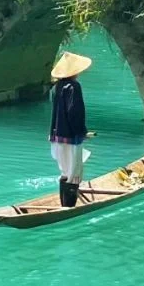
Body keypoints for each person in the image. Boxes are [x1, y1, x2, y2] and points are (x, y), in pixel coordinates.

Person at [49, 51, 91, 208]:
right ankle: (69, 207)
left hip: (58, 136)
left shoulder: (58, 87)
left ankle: (64, 205)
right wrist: (82, 131)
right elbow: (75, 112)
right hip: (72, 137)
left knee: (65, 171)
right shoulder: (74, 87)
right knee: (74, 173)